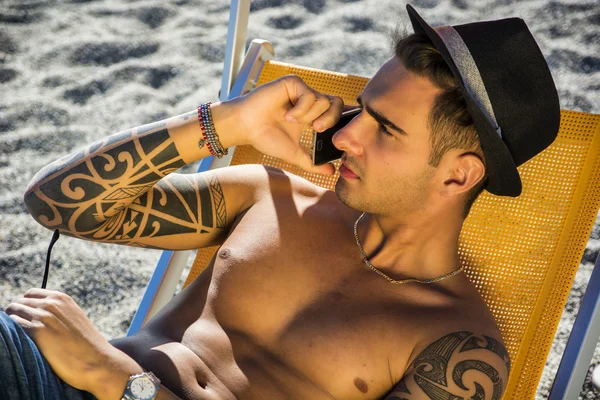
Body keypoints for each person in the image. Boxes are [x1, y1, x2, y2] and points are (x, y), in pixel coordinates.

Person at [3, 4, 559, 400]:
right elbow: (57, 204)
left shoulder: (457, 349)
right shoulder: (275, 198)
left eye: (384, 128)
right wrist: (226, 123)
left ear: (460, 174)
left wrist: (122, 384)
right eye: (360, 109)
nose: (345, 136)